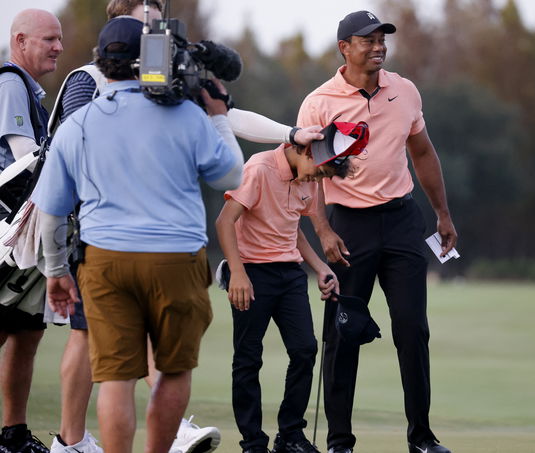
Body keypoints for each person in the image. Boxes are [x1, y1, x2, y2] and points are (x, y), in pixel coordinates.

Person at [31, 16, 243, 453]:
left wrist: (56, 272)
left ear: (101, 65)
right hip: (176, 259)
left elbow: (50, 215)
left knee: (115, 377)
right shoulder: (187, 114)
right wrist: (219, 116)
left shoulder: (80, 123)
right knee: (172, 370)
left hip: (105, 261)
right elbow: (231, 175)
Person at [297, 11, 458, 453]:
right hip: (348, 226)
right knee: (343, 333)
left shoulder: (404, 91)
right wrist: (323, 230)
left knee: (412, 329)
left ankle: (422, 438)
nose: (378, 46)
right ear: (344, 48)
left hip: (403, 220)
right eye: (367, 40)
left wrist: (443, 215)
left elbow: (423, 154)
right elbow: (306, 175)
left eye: (382, 38)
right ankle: (340, 442)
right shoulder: (320, 101)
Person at [215, 139, 359, 453]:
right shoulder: (259, 168)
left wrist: (321, 267)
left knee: (305, 350)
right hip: (252, 273)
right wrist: (237, 273)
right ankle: (253, 442)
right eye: (319, 172)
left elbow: (291, 228)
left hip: (290, 274)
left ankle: (290, 436)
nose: (317, 180)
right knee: (248, 358)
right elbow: (225, 221)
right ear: (307, 151)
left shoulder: (308, 175)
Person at [0, 9, 63, 453]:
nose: (58, 47)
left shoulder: (31, 92)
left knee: (26, 334)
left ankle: (13, 435)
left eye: (59, 39)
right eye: (49, 39)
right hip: (7, 237)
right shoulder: (9, 82)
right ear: (20, 40)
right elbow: (24, 158)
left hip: (27, 238)